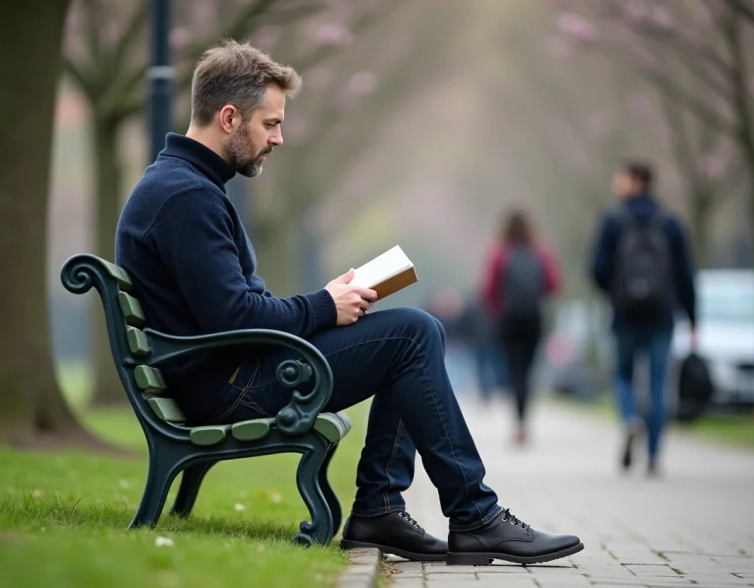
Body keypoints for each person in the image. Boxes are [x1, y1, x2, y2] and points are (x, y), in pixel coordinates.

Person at [115, 39, 583, 565]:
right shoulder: (187, 196)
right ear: (229, 117)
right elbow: (233, 316)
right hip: (225, 388)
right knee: (412, 333)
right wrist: (322, 306)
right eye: (270, 124)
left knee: (411, 333)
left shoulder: (187, 186)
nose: (280, 138)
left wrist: (330, 300)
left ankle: (390, 510)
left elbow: (232, 307)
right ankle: (468, 515)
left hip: (226, 372)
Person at [588, 161, 696, 477]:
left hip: (625, 315)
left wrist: (617, 293)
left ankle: (631, 418)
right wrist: (692, 314)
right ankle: (653, 458)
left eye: (620, 178)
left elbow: (596, 268)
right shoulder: (671, 222)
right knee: (659, 385)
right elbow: (685, 273)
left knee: (622, 375)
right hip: (662, 316)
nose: (616, 183)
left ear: (635, 181)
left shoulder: (612, 221)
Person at [480, 210, 562, 446]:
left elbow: (488, 290)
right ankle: (524, 421)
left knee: (514, 369)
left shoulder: (499, 254)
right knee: (527, 369)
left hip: (508, 319)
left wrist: (498, 308)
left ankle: (518, 422)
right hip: (533, 317)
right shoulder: (541, 253)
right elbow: (554, 284)